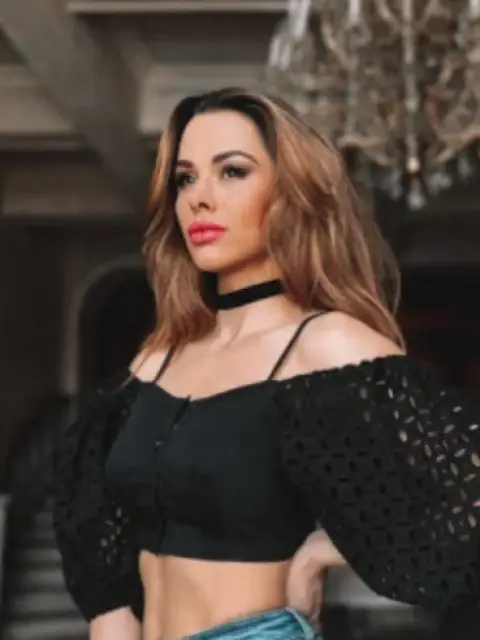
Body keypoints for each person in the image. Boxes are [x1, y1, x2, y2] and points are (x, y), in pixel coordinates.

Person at [53, 87, 480, 640]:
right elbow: (92, 506)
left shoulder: (326, 345)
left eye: (232, 171)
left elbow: (464, 490)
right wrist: (110, 616)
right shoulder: (162, 355)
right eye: (185, 178)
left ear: (289, 194)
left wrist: (323, 551)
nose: (200, 198)